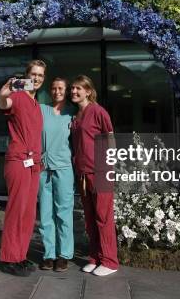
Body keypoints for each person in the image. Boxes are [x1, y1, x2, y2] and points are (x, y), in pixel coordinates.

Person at [0, 60, 46, 277]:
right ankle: (9, 258)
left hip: (33, 164)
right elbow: (3, 104)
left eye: (41, 75)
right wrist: (3, 93)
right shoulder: (16, 97)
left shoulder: (36, 104)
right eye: (33, 74)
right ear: (27, 76)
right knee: (16, 211)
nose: (36, 78)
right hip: (18, 161)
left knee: (28, 214)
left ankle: (20, 255)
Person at [70, 75, 119, 276]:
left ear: (88, 91)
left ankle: (110, 261)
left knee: (103, 217)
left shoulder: (98, 112)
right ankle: (95, 257)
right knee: (90, 218)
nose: (73, 91)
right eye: (72, 88)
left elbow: (110, 138)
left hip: (100, 171)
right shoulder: (75, 117)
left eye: (78, 88)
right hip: (82, 173)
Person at [38, 78, 76, 272]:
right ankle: (49, 254)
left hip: (63, 168)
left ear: (66, 90)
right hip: (43, 169)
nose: (57, 91)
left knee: (63, 212)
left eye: (60, 88)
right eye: (53, 88)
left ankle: (64, 255)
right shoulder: (42, 109)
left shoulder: (73, 112)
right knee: (45, 213)